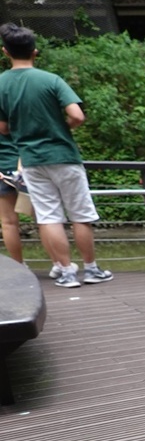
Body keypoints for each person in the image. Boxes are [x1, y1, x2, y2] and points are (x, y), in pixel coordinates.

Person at [0, 23, 111, 288]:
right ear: (35, 52)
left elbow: (2, 128)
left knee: (49, 216)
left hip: (31, 159)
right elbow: (77, 115)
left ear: (6, 52)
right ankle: (91, 269)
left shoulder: (1, 84)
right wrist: (63, 127)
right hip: (63, 154)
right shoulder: (51, 80)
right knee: (80, 214)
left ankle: (66, 273)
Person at [0, 131, 23, 266]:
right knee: (44, 219)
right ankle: (60, 264)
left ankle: (19, 265)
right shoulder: (16, 109)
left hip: (2, 169)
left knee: (8, 222)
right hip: (27, 166)